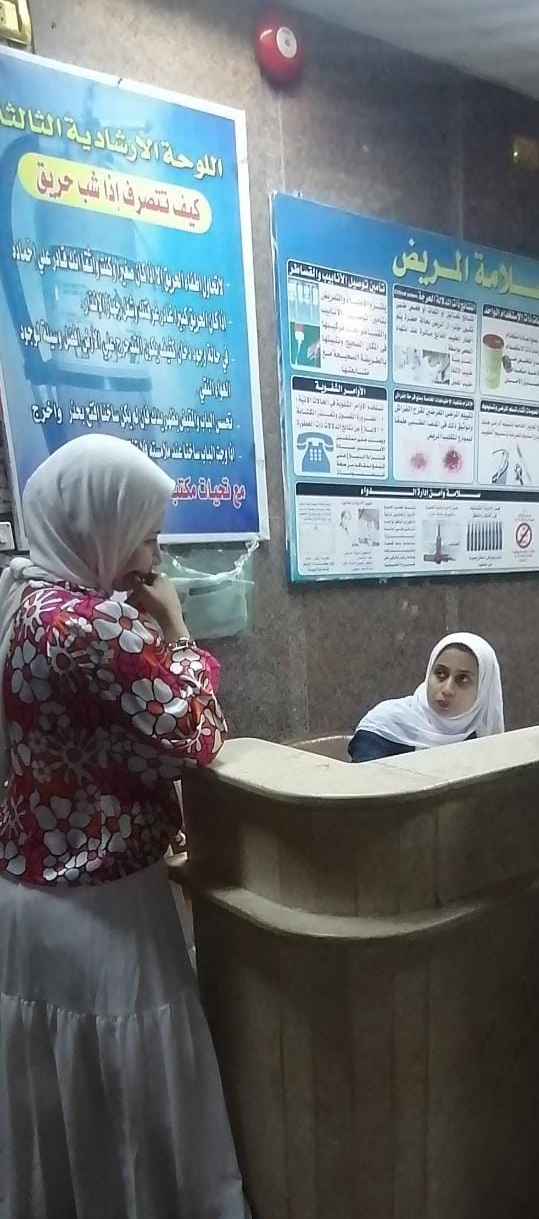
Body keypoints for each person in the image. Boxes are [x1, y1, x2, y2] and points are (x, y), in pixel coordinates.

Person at [0, 435, 248, 1219]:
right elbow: (195, 732)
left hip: (31, 898)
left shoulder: (25, 601)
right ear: (97, 525)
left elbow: (96, 736)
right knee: (138, 1090)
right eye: (145, 536)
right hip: (103, 907)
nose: (154, 556)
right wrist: (177, 628)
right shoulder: (90, 625)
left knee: (64, 1087)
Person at [349, 632, 504, 761]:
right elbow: (364, 785)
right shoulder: (386, 726)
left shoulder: (482, 733)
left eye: (462, 679)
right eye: (440, 673)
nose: (447, 689)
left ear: (483, 690)